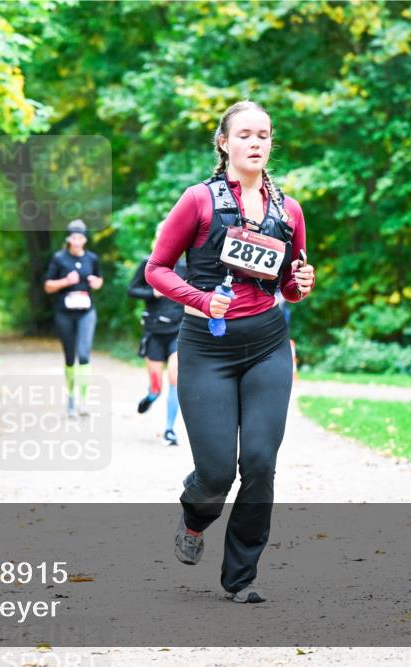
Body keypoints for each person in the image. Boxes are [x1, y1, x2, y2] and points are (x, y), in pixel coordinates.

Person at [145, 100, 316, 604]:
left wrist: (302, 282)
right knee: (217, 473)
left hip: (266, 344)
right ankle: (195, 515)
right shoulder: (198, 200)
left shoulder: (289, 210)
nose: (256, 143)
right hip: (206, 348)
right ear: (224, 143)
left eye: (263, 134)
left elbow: (289, 285)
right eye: (244, 134)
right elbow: (157, 268)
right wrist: (201, 299)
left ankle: (241, 577)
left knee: (260, 462)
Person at [127, 223, 187, 446]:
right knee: (156, 386)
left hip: (177, 330)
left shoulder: (186, 267)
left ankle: (169, 430)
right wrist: (152, 292)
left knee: (175, 379)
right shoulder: (148, 264)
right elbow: (131, 290)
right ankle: (151, 397)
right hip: (153, 330)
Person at [44, 219, 104, 418]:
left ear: (85, 239)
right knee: (70, 358)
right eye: (73, 237)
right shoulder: (59, 259)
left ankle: (83, 402)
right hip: (64, 313)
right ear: (68, 239)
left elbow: (99, 279)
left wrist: (96, 283)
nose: (77, 241)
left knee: (84, 355)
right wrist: (65, 282)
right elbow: (47, 286)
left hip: (86, 312)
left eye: (80, 237)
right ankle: (71, 397)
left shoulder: (92, 258)